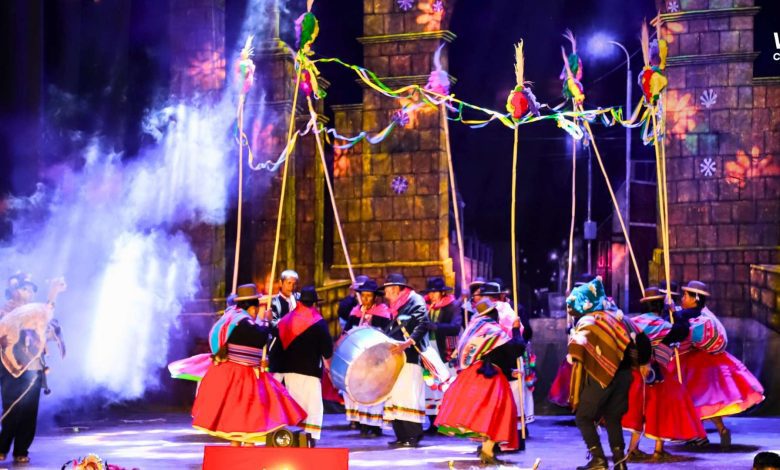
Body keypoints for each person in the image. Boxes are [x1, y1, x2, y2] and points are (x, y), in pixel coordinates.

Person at [192, 284, 306, 445]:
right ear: (252, 308)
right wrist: (266, 321)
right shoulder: (243, 323)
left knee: (234, 416)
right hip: (241, 374)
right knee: (248, 415)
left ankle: (237, 449)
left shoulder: (230, 318)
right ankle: (246, 452)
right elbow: (259, 339)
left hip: (227, 373)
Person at [567, 276, 651, 470]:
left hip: (601, 378)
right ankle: (620, 463)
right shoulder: (620, 318)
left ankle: (598, 459)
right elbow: (644, 341)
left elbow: (576, 350)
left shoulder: (589, 321)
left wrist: (574, 346)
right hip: (624, 377)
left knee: (583, 417)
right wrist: (643, 362)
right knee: (613, 417)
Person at [669, 280, 764, 449]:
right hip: (703, 362)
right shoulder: (696, 314)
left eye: (685, 295)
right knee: (707, 401)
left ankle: (699, 435)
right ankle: (718, 430)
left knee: (698, 398)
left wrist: (674, 319)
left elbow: (687, 332)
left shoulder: (702, 319)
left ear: (695, 298)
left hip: (703, 364)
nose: (682, 298)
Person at [435, 298, 526, 465]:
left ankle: (487, 451)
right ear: (493, 314)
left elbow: (493, 356)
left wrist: (508, 371)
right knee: (498, 413)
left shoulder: (474, 330)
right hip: (489, 380)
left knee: (484, 414)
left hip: (472, 376)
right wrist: (516, 330)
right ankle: (487, 451)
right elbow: (516, 349)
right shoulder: (493, 331)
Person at [622, 286, 705, 462]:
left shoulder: (632, 322)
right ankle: (657, 450)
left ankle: (633, 449)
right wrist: (675, 312)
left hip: (633, 375)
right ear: (660, 306)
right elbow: (682, 331)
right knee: (659, 411)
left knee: (638, 412)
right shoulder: (664, 326)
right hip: (656, 375)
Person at [0, 275, 66, 464]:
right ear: (12, 291)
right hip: (10, 366)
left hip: (34, 365)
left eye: (30, 290)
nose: (28, 293)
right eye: (23, 289)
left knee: (29, 410)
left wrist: (53, 295)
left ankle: (21, 450)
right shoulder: (4, 311)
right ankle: (2, 447)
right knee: (11, 407)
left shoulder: (36, 312)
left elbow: (46, 330)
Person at [270, 285, 334, 442]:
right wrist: (328, 365)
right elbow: (327, 349)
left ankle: (296, 437)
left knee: (296, 404)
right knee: (313, 407)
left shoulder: (286, 320)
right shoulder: (318, 322)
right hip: (310, 371)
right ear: (314, 303)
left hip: (290, 372)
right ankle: (310, 438)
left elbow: (277, 347)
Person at [380, 273, 430, 448]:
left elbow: (424, 324)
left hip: (411, 356)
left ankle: (413, 436)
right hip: (397, 357)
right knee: (397, 397)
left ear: (395, 289)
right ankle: (401, 436)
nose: (385, 295)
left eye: (387, 291)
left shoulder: (415, 301)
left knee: (408, 397)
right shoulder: (397, 306)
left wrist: (408, 343)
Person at [342, 279, 392, 437]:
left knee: (375, 390)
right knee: (361, 389)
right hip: (359, 360)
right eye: (363, 296)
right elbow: (346, 332)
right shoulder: (355, 312)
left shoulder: (383, 312)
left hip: (376, 358)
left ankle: (376, 425)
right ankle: (363, 423)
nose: (365, 299)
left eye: (368, 296)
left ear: (375, 297)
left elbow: (386, 333)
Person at [421, 276, 461, 434]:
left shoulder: (453, 306)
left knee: (446, 387)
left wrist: (435, 326)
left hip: (445, 351)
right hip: (429, 352)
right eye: (430, 293)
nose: (431, 296)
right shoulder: (426, 307)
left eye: (434, 292)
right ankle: (433, 423)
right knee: (430, 388)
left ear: (442, 293)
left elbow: (455, 327)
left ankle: (447, 423)